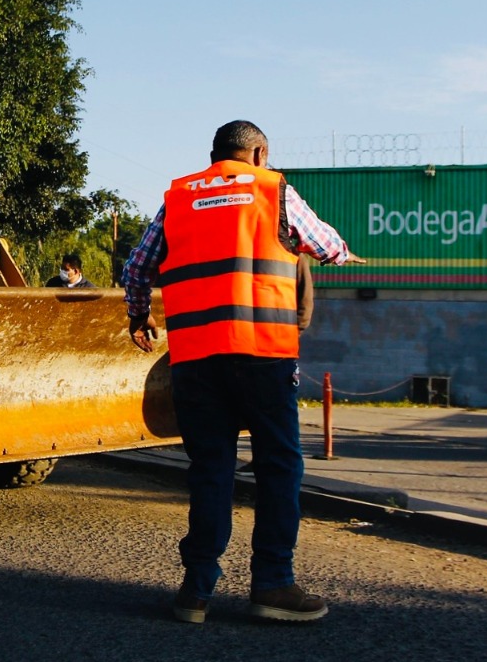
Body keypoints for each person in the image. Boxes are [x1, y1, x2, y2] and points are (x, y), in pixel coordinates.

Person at [124, 119, 363, 625]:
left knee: (210, 469)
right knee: (279, 465)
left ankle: (196, 590)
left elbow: (138, 267)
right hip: (261, 355)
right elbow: (324, 244)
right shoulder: (272, 189)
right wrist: (341, 252)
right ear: (259, 154)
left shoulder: (180, 196)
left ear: (214, 156)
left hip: (196, 359)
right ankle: (272, 585)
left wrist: (138, 312)